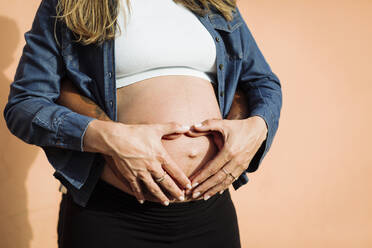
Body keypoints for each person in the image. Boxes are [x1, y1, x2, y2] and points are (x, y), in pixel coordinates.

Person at [3, 0, 282, 247]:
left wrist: (257, 128)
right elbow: (25, 105)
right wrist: (109, 138)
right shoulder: (70, 5)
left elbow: (263, 83)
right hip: (112, 215)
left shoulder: (213, 4)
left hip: (209, 213)